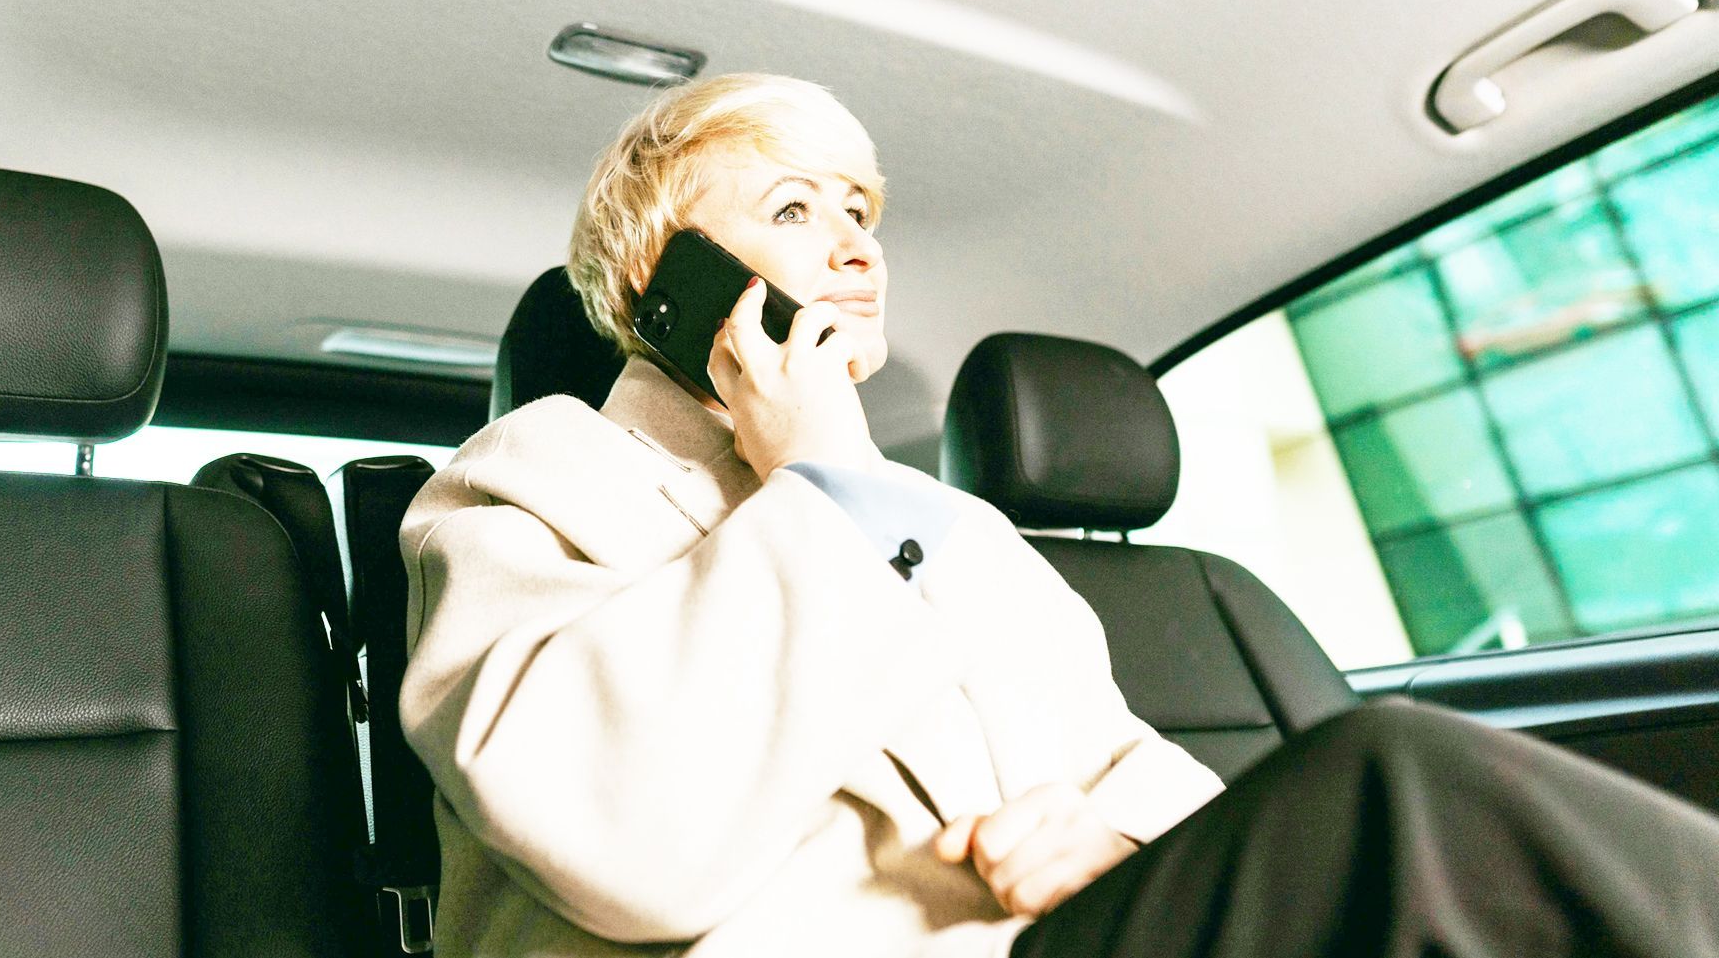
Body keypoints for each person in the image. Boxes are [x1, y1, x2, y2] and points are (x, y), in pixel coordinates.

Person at [399, 73, 1719, 958]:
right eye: (796, 210)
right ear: (659, 274)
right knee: (1395, 785)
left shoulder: (964, 539)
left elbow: (1144, 777)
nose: (858, 245)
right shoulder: (526, 483)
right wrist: (818, 484)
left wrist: (1118, 837)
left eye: (863, 213)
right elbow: (632, 837)